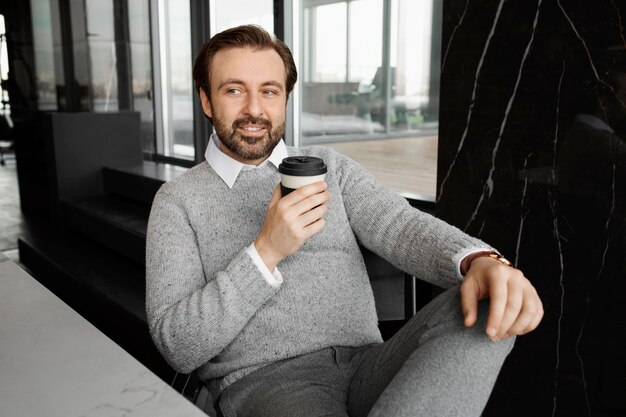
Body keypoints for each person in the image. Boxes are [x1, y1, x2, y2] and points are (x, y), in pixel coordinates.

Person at [146, 25, 543, 417]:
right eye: (234, 90)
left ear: (284, 98)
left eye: (269, 91)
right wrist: (266, 251)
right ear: (206, 100)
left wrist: (481, 260)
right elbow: (178, 346)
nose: (254, 109)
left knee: (490, 302)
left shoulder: (331, 167)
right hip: (270, 384)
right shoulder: (178, 201)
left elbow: (400, 225)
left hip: (370, 364)